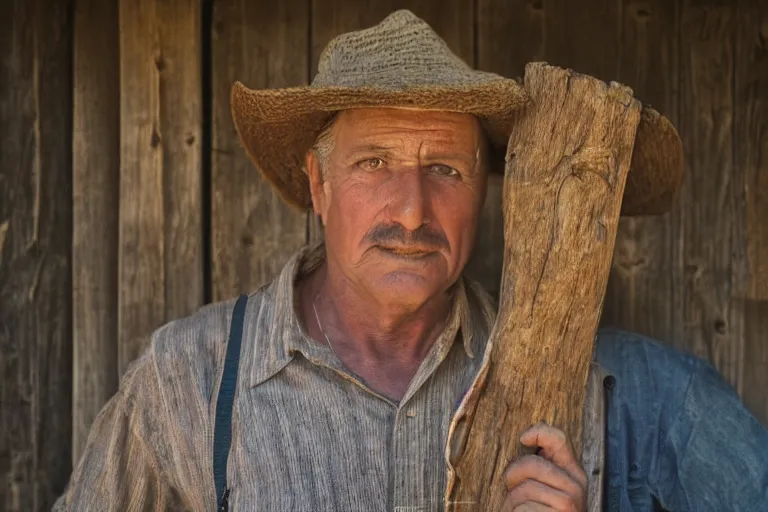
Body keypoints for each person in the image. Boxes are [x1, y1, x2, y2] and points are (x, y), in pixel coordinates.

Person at [54, 10, 768, 512]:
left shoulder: (579, 388)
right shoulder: (188, 381)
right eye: (374, 163)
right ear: (318, 185)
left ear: (487, 194)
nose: (412, 211)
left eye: (447, 171)